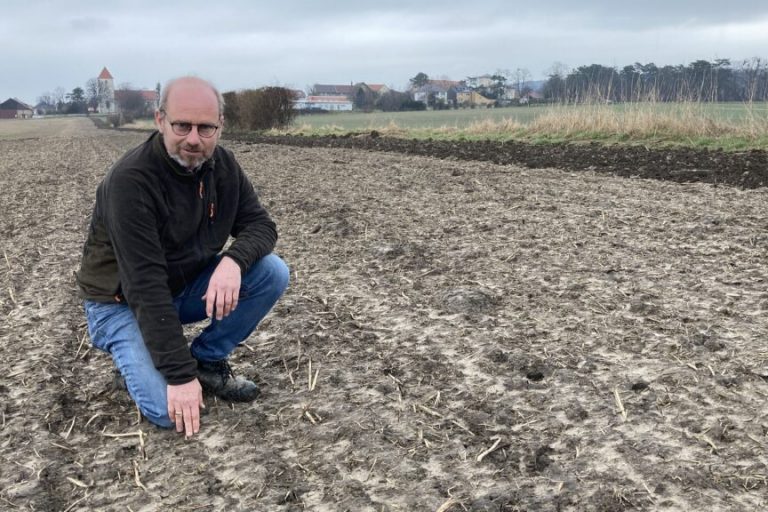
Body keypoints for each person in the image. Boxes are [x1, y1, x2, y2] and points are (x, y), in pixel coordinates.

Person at [76, 76, 289, 437]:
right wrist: (178, 375)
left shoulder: (223, 167)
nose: (193, 138)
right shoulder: (131, 182)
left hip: (179, 288)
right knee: (166, 412)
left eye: (205, 127)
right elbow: (144, 286)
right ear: (160, 121)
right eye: (182, 125)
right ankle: (137, 357)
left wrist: (233, 261)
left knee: (271, 271)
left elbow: (261, 226)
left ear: (220, 125)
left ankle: (206, 360)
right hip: (120, 303)